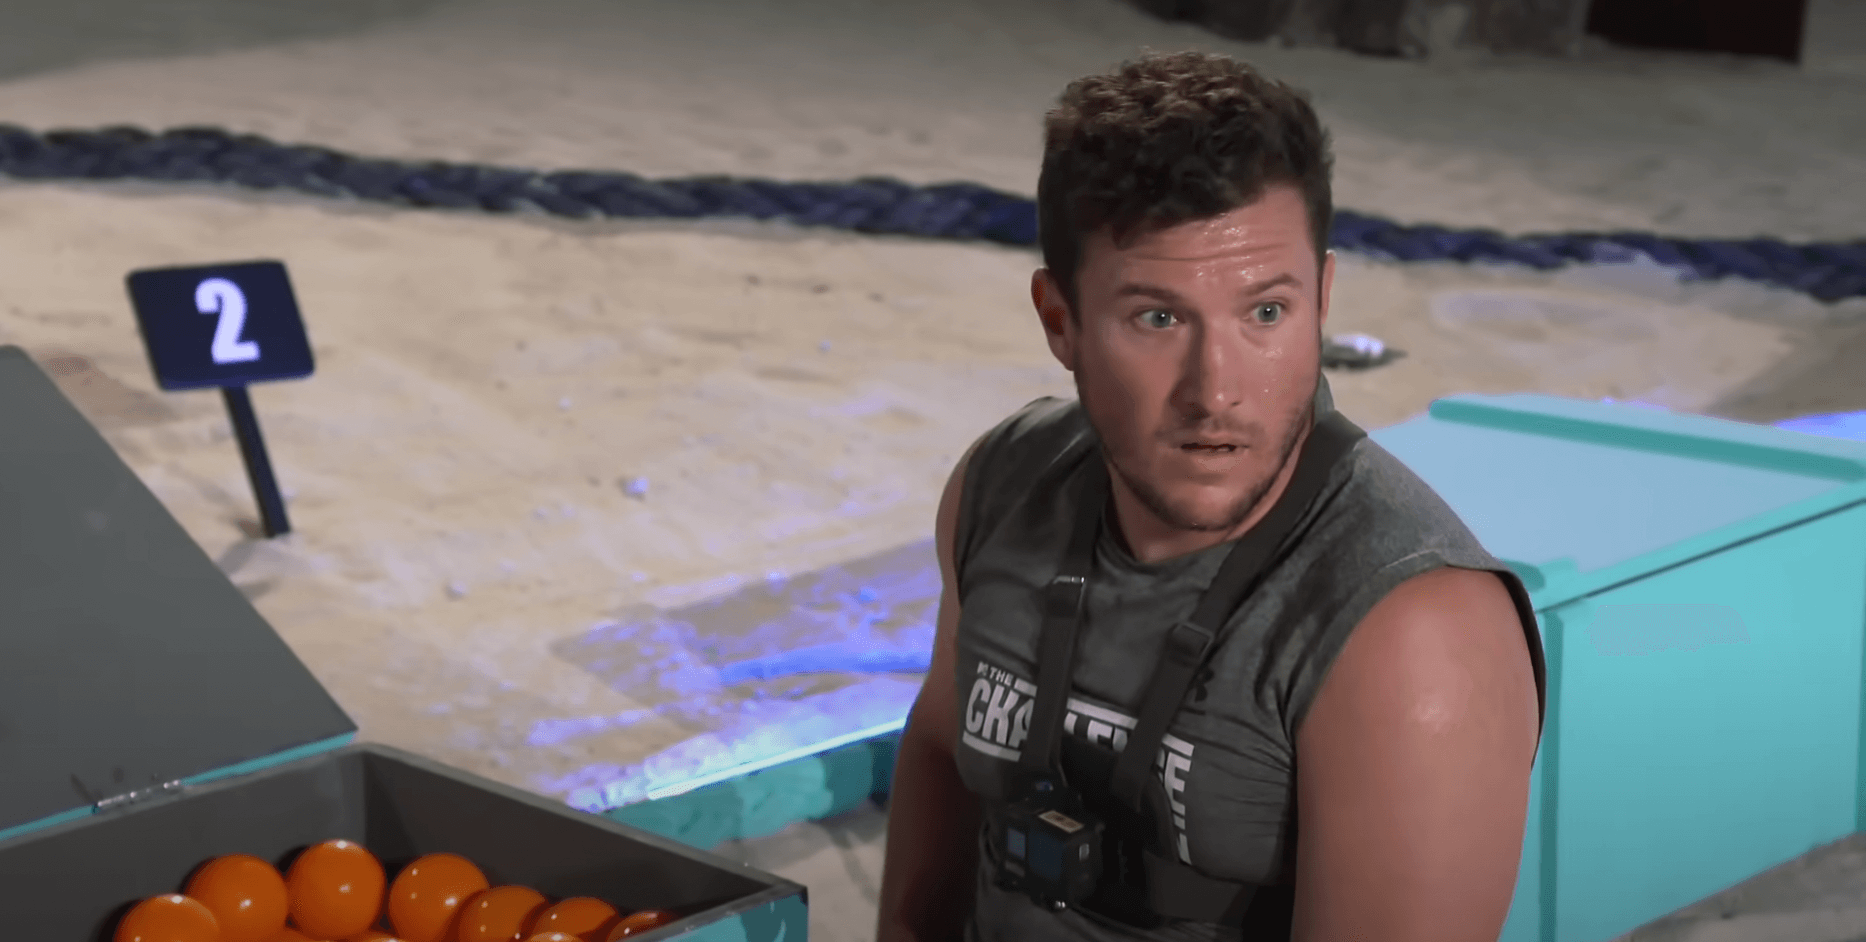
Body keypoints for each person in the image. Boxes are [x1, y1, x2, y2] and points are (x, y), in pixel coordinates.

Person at [875, 49, 1546, 942]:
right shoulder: (1003, 485)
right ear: (1061, 321)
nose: (1216, 391)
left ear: (1322, 300)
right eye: (1157, 318)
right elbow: (941, 754)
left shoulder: (1410, 634)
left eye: (1265, 312)